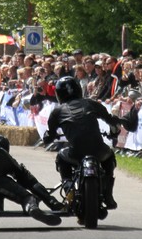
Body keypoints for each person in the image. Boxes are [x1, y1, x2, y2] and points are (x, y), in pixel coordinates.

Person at [44, 76, 122, 214]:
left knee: (61, 157)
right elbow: (110, 120)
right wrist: (115, 131)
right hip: (98, 150)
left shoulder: (57, 111)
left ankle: (68, 188)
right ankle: (108, 193)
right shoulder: (91, 104)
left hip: (76, 152)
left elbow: (49, 135)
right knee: (109, 155)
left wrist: (48, 138)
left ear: (59, 94)